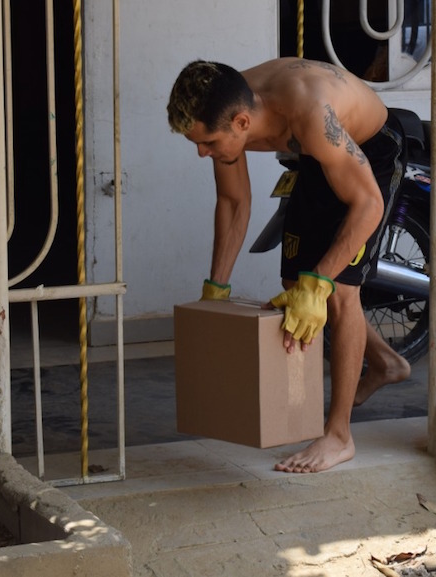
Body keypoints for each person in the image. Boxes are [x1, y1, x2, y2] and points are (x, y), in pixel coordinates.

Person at [166, 57, 413, 473]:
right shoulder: (225, 103)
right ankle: (386, 362)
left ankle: (339, 436)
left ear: (243, 123)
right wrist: (216, 291)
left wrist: (318, 285)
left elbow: (367, 203)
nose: (200, 153)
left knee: (338, 290)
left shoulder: (309, 112)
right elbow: (233, 201)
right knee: (292, 280)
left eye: (207, 143)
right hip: (319, 156)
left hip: (370, 148)